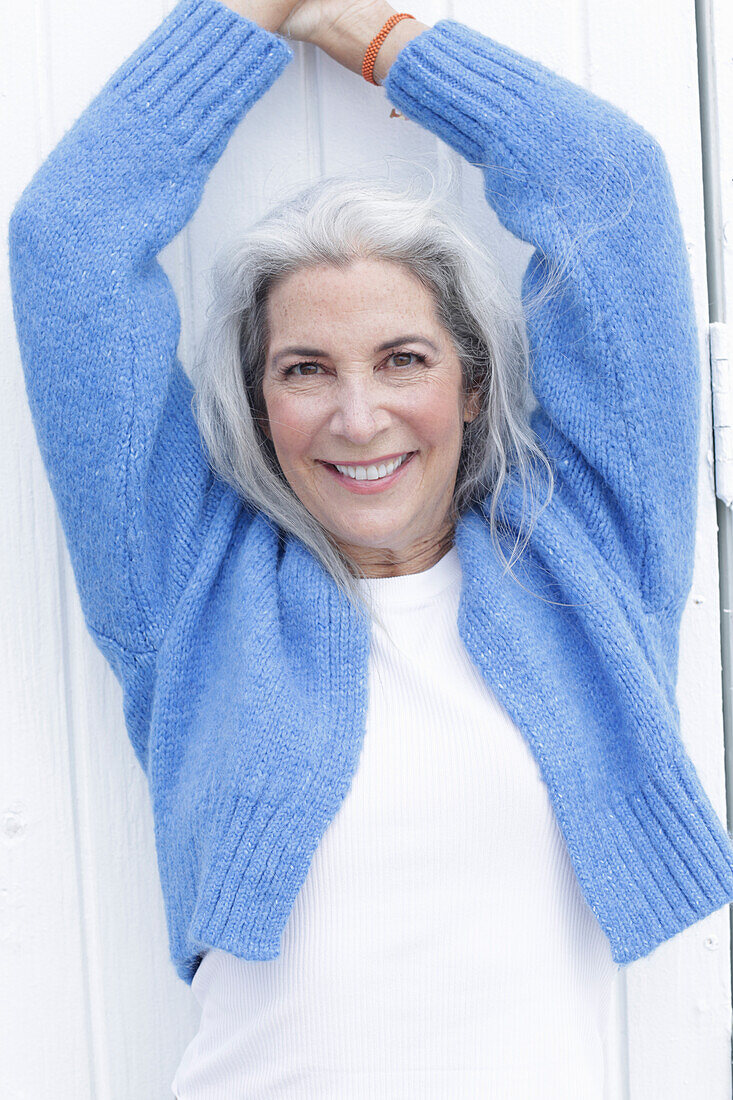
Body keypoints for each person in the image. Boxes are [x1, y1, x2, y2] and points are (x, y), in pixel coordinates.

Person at [8, 0, 733, 1096]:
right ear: (258, 404)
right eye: (304, 369)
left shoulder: (587, 563)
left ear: (471, 382)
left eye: (402, 359)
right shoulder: (190, 591)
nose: (358, 417)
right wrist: (246, 15)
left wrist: (378, 35)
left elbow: (609, 188)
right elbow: (72, 233)